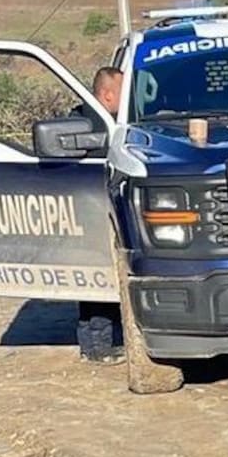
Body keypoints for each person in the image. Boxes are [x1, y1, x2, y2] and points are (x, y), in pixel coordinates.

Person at [75, 66, 125, 364]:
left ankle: (98, 343)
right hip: (92, 209)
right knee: (98, 275)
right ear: (107, 95)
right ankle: (98, 346)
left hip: (99, 207)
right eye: (123, 91)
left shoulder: (101, 120)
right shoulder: (89, 124)